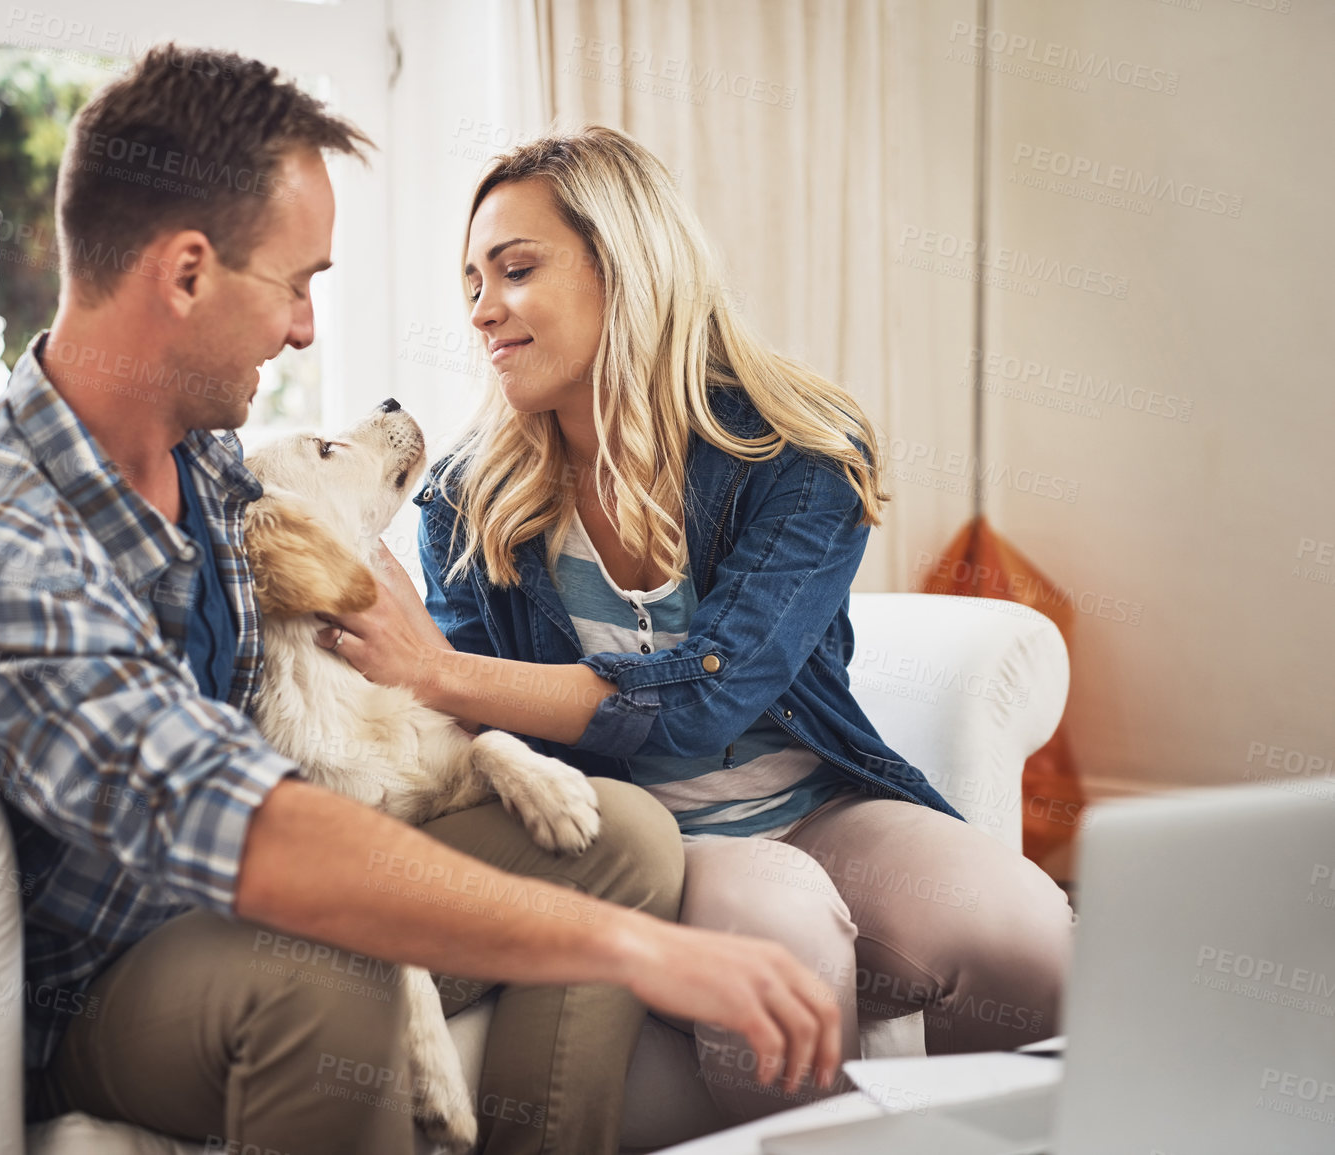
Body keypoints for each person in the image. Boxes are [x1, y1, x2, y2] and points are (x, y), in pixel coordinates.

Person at [0, 48, 841, 1155]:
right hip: (104, 975)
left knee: (622, 833)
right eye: (297, 283)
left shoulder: (210, 470)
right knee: (332, 980)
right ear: (186, 273)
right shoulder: (1, 561)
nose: (304, 330)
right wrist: (641, 951)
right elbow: (248, 829)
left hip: (241, 894)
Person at [317, 126, 1075, 1124]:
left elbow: (709, 698)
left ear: (624, 267)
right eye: (471, 281)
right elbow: (500, 747)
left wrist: (441, 672)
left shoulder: (798, 453)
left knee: (1033, 937)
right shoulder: (468, 499)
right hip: (650, 835)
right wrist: (425, 678)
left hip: (818, 800)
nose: (481, 311)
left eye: (515, 270)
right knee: (783, 939)